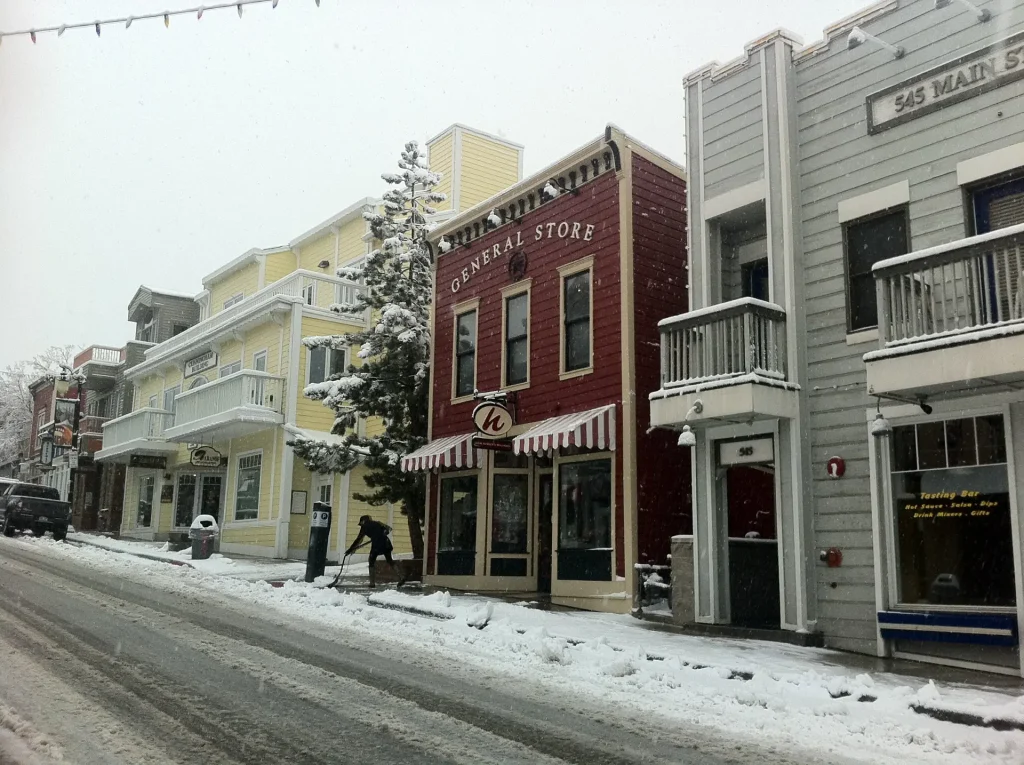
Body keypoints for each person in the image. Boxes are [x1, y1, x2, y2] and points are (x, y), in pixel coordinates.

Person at [346, 514, 404, 588]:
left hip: (377, 544)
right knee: (389, 560)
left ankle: (372, 583)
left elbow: (359, 539)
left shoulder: (364, 527)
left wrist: (351, 549)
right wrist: (382, 533)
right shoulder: (378, 523)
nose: (361, 525)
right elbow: (389, 529)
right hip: (386, 542)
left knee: (371, 561)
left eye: (361, 523)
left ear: (363, 521)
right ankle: (402, 576)